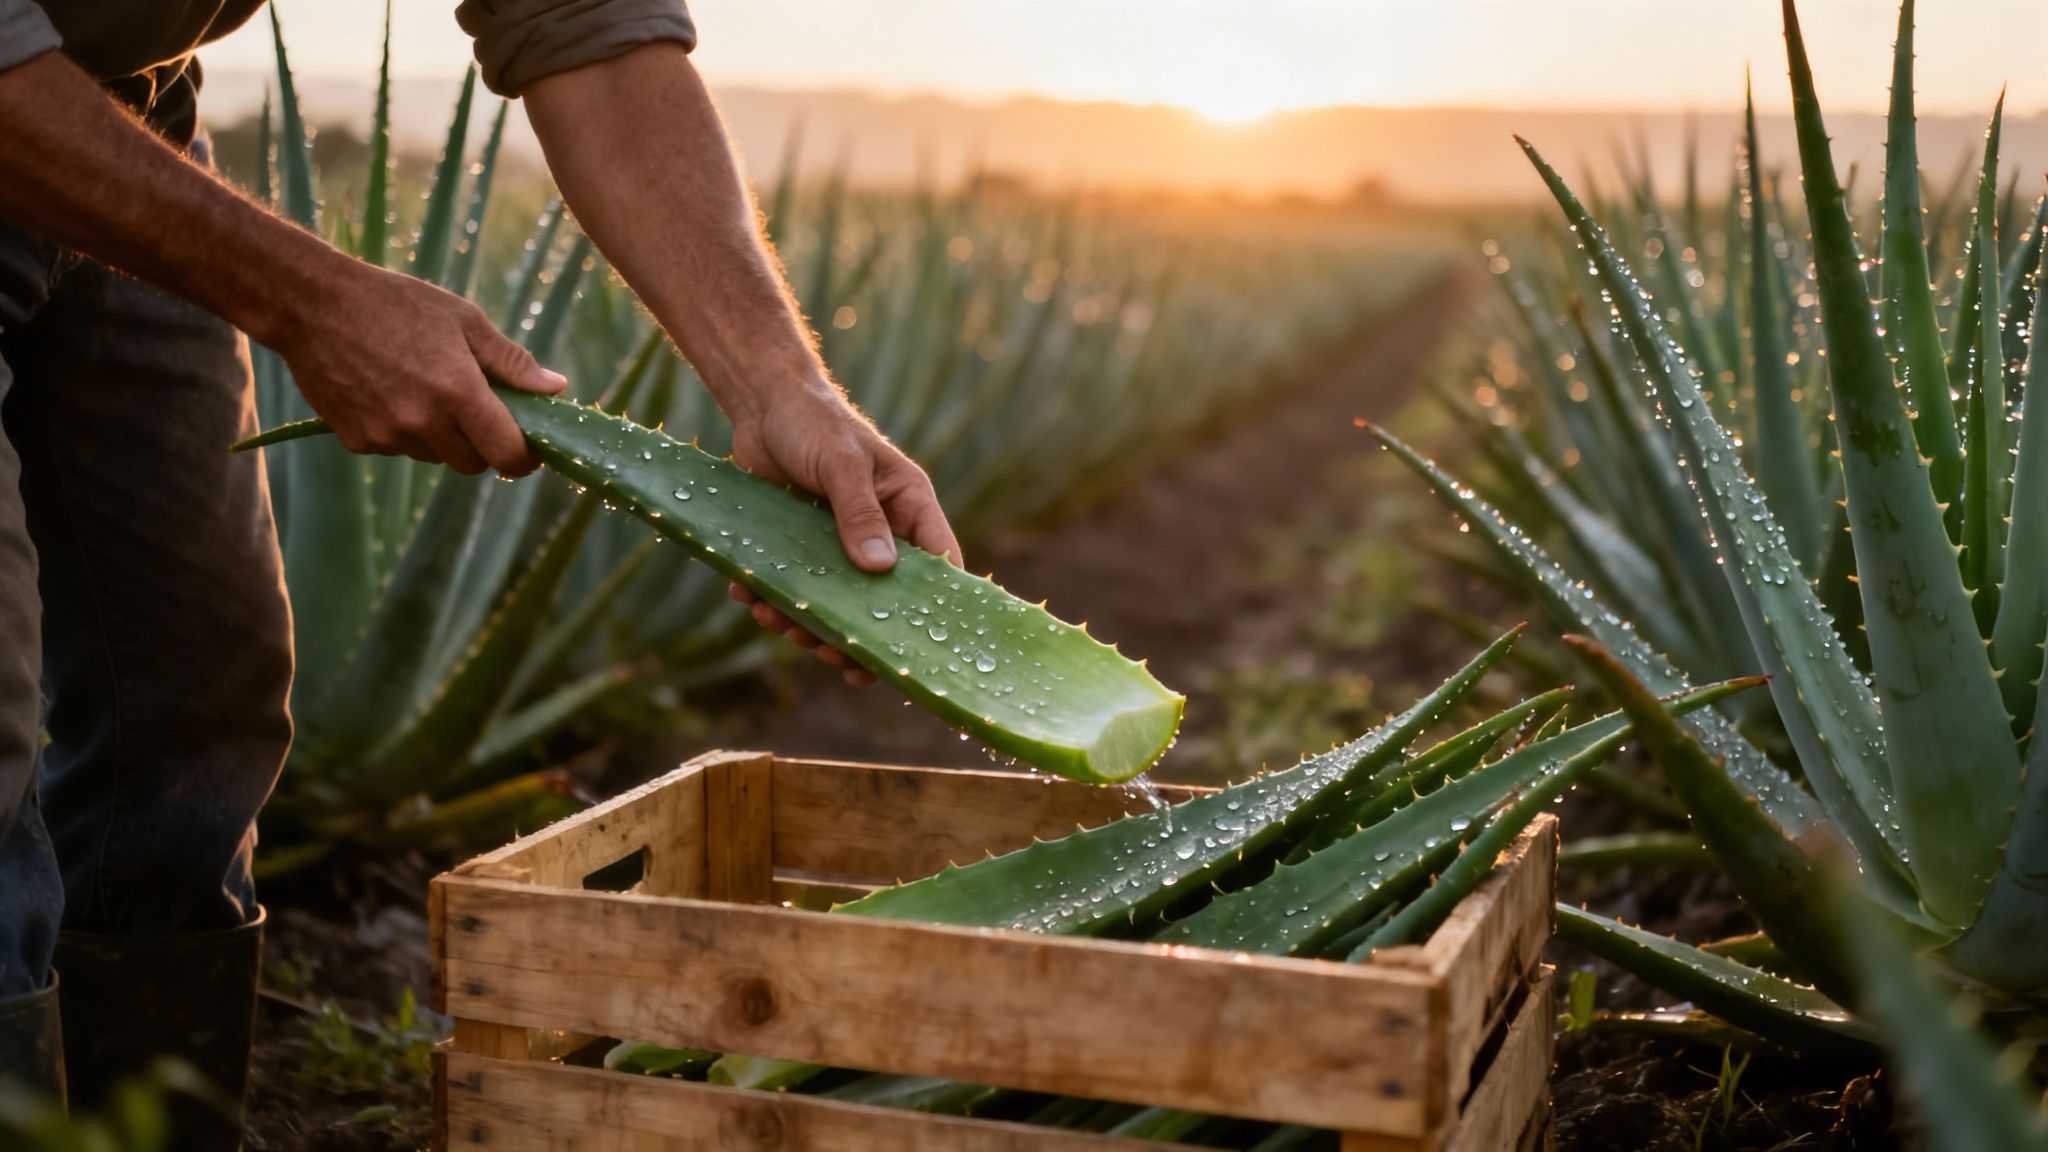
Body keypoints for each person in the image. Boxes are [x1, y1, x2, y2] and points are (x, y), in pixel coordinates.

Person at [0, 0, 961, 1144]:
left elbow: (586, 25)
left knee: (195, 694)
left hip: (114, 104)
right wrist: (311, 300)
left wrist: (779, 388)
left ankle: (146, 1130)